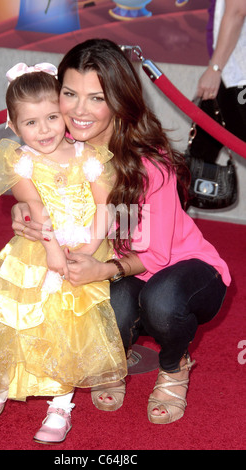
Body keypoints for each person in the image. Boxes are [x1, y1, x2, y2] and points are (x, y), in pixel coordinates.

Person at [12, 38, 230, 425]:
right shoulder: (57, 149)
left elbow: (156, 256)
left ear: (120, 100)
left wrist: (101, 271)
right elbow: (41, 199)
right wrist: (25, 210)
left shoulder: (148, 163)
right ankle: (116, 353)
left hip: (182, 269)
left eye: (96, 97)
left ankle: (174, 365)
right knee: (103, 304)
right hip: (118, 266)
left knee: (161, 299)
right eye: (70, 94)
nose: (79, 110)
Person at [0, 61, 127, 444]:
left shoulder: (88, 157)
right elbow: (34, 207)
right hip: (37, 250)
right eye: (31, 122)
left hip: (84, 249)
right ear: (12, 125)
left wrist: (88, 252)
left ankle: (60, 405)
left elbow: (106, 206)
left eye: (53, 117)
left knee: (69, 329)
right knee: (20, 317)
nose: (44, 130)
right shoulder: (21, 161)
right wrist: (54, 253)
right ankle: (3, 379)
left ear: (65, 114)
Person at [195, 0, 246, 163]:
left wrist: (215, 69)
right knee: (199, 154)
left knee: (199, 156)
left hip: (236, 75)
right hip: (230, 75)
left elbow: (237, 12)